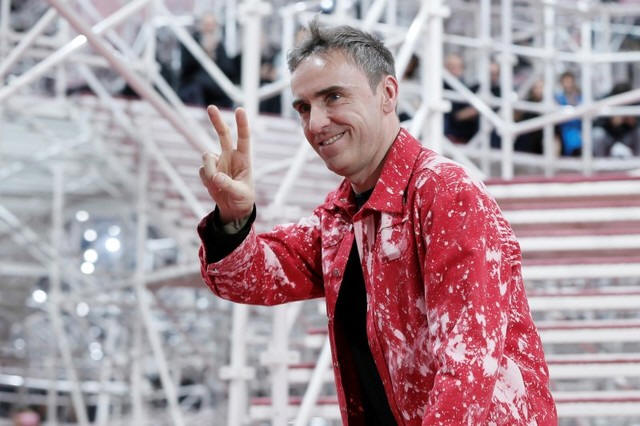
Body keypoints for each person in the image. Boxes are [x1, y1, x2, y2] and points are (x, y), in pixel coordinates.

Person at [197, 22, 556, 425]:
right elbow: (248, 278)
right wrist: (233, 217)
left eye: (333, 97)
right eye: (304, 108)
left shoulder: (446, 192)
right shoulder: (340, 216)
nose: (315, 123)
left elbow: (467, 366)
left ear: (387, 94)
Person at [593, 82, 640, 157]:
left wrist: (633, 122)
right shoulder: (606, 100)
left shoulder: (634, 101)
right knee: (597, 134)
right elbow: (596, 123)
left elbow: (637, 122)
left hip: (627, 137)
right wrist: (610, 123)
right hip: (609, 137)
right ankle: (599, 161)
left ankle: (637, 160)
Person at [555, 71, 583, 156]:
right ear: (562, 83)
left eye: (570, 82)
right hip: (565, 128)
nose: (568, 85)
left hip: (579, 128)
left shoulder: (580, 97)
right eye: (566, 82)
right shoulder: (558, 98)